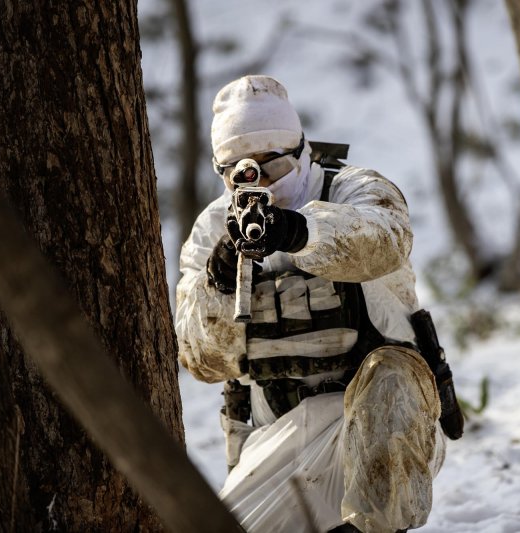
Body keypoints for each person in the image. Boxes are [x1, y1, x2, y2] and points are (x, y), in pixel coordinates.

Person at [176, 75, 457, 533]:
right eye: (243, 172)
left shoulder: (354, 190)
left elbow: (385, 239)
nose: (260, 182)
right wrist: (218, 284)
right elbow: (202, 361)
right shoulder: (211, 230)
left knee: (389, 378)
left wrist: (298, 231)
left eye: (273, 165)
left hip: (376, 431)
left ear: (302, 150)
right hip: (278, 439)